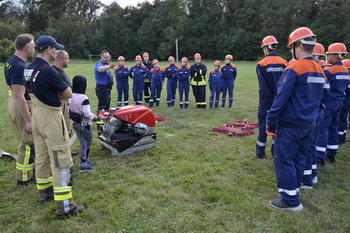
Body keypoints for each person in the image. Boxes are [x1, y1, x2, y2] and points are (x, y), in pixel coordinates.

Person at [266, 27, 325, 211]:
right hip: (309, 124)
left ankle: (290, 201)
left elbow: (280, 99)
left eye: (291, 47)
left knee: (284, 160)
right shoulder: (319, 69)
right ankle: (295, 189)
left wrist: (270, 121)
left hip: (290, 125)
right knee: (300, 158)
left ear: (298, 46)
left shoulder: (294, 68)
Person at [24, 35, 83, 218]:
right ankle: (66, 208)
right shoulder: (48, 71)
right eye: (55, 49)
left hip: (36, 115)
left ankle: (45, 194)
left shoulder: (28, 68)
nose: (57, 52)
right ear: (49, 49)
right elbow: (68, 94)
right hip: (50, 117)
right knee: (61, 161)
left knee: (42, 158)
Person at [4, 33, 36, 185]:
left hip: (13, 102)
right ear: (27, 48)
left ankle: (26, 173)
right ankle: (24, 178)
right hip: (19, 104)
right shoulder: (19, 66)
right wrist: (29, 120)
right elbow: (19, 96)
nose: (34, 48)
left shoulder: (10, 61)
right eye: (33, 46)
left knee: (24, 140)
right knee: (28, 143)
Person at [315, 43, 349, 165]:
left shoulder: (330, 71)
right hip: (339, 103)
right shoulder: (345, 70)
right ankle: (332, 154)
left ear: (335, 55)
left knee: (323, 129)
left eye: (329, 55)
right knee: (334, 127)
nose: (327, 58)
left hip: (328, 104)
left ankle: (319, 156)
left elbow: (322, 87)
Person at [255, 36, 288, 160]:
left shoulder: (261, 64)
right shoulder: (285, 62)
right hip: (280, 99)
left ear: (265, 48)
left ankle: (260, 153)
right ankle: (275, 153)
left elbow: (263, 86)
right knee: (278, 125)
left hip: (266, 100)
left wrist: (270, 98)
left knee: (263, 124)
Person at [301, 42, 329, 188]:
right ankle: (312, 175)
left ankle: (306, 179)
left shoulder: (304, 68)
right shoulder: (321, 71)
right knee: (311, 145)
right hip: (319, 112)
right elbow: (326, 93)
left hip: (309, 114)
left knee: (305, 147)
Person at [69, 75, 98, 172]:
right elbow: (87, 113)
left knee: (82, 141)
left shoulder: (70, 95)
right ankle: (83, 164)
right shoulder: (83, 98)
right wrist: (95, 118)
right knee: (87, 142)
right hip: (84, 124)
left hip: (75, 123)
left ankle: (84, 159)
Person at [52, 50, 72, 136]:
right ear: (60, 59)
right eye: (67, 58)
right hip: (61, 105)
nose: (69, 61)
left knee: (67, 129)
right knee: (63, 131)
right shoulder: (54, 72)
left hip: (65, 104)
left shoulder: (60, 71)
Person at [338, 59, 350, 144]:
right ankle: (342, 137)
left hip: (345, 100)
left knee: (342, 118)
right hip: (345, 100)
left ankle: (341, 138)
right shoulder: (346, 76)